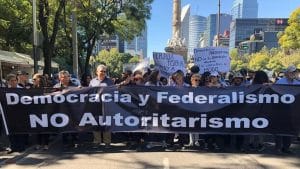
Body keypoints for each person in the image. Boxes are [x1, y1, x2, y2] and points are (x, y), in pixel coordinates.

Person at [275, 65, 300, 154]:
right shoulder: (280, 82)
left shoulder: (297, 83)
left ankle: (286, 148)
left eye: (294, 72)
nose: (293, 73)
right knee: (279, 129)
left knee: (289, 129)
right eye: (291, 72)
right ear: (287, 73)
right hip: (281, 109)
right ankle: (278, 147)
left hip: (292, 110)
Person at [89, 65, 114, 149]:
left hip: (107, 105)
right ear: (97, 72)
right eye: (101, 71)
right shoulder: (92, 82)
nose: (103, 73)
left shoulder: (110, 81)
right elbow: (88, 92)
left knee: (107, 123)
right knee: (95, 122)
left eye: (104, 71)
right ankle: (97, 141)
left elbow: (114, 91)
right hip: (95, 106)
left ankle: (107, 142)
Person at [53, 70, 79, 148]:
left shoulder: (75, 86)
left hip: (72, 109)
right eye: (62, 77)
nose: (64, 78)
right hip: (61, 109)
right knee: (64, 125)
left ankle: (75, 140)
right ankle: (65, 141)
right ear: (59, 78)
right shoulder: (56, 87)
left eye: (66, 77)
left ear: (69, 77)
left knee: (73, 125)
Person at [32, 73, 50, 150]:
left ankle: (46, 144)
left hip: (46, 111)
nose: (33, 81)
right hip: (36, 111)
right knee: (37, 128)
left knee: (45, 128)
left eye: (34, 79)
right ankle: (38, 144)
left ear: (39, 80)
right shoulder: (32, 89)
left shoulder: (46, 89)